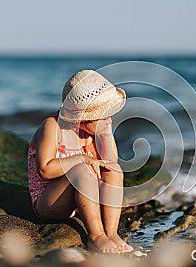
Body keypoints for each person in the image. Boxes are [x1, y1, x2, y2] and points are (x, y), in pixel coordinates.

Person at [28, 70, 133, 254]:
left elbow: (110, 162)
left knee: (114, 169)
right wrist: (82, 158)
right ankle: (96, 236)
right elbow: (45, 169)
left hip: (81, 200)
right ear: (81, 117)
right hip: (50, 200)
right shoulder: (53, 127)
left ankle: (111, 233)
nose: (108, 120)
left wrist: (106, 133)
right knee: (82, 169)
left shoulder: (93, 132)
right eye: (103, 115)